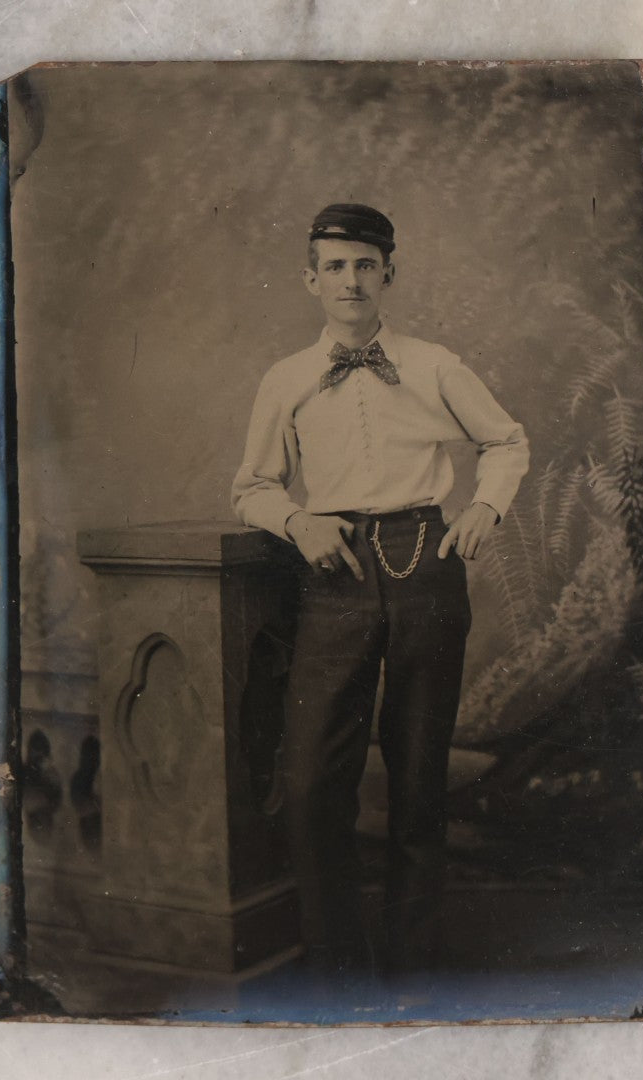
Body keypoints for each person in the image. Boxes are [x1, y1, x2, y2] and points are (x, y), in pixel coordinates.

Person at [232, 204, 529, 979]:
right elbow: (252, 487)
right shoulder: (286, 379)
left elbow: (505, 441)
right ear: (310, 280)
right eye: (334, 266)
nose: (350, 280)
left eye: (364, 265)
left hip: (425, 561)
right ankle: (338, 965)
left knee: (418, 773)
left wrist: (485, 507)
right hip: (332, 570)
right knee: (311, 781)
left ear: (387, 273)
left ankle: (412, 965)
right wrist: (297, 522)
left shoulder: (434, 364)